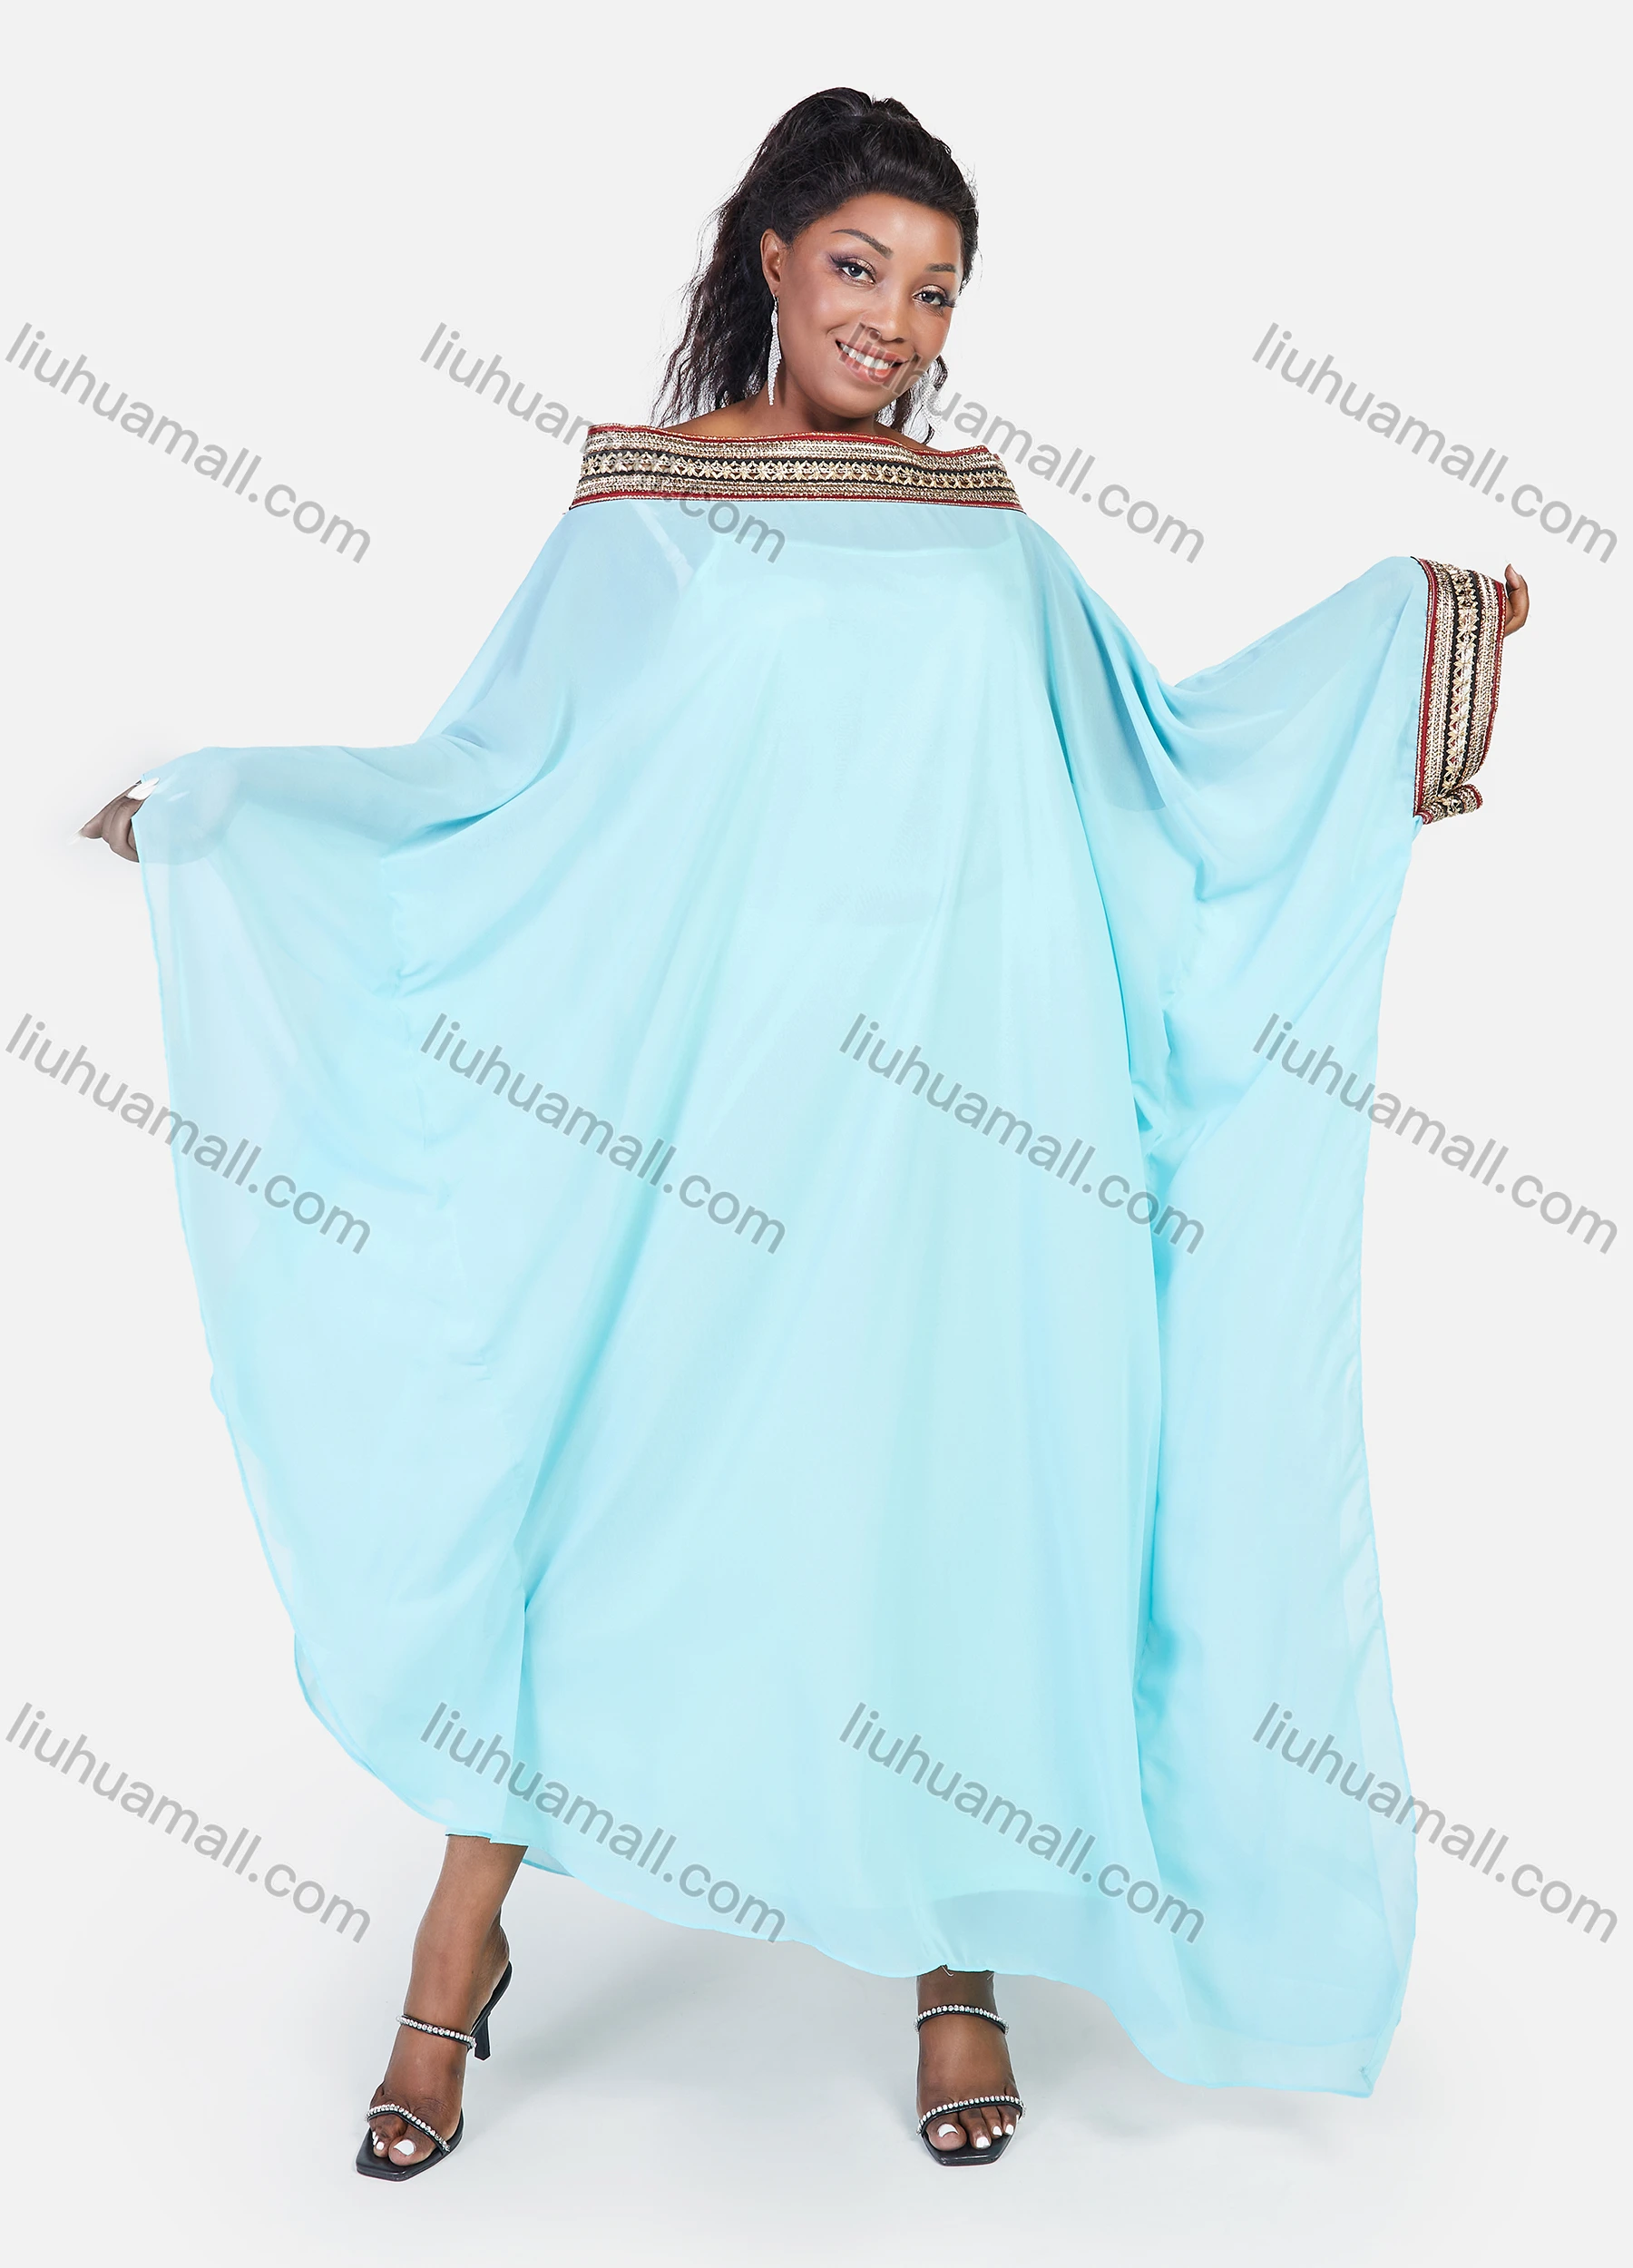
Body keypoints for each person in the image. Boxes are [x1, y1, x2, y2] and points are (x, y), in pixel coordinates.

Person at [83, 88, 1528, 2177]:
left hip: (973, 1121)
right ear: (770, 259)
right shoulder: (642, 507)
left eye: (936, 291)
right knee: (587, 1494)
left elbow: (1153, 769)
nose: (895, 321)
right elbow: (490, 781)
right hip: (707, 1115)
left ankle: (955, 1961)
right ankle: (457, 1946)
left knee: (949, 1497)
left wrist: (1400, 648)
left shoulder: (985, 524)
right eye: (862, 267)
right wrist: (236, 820)